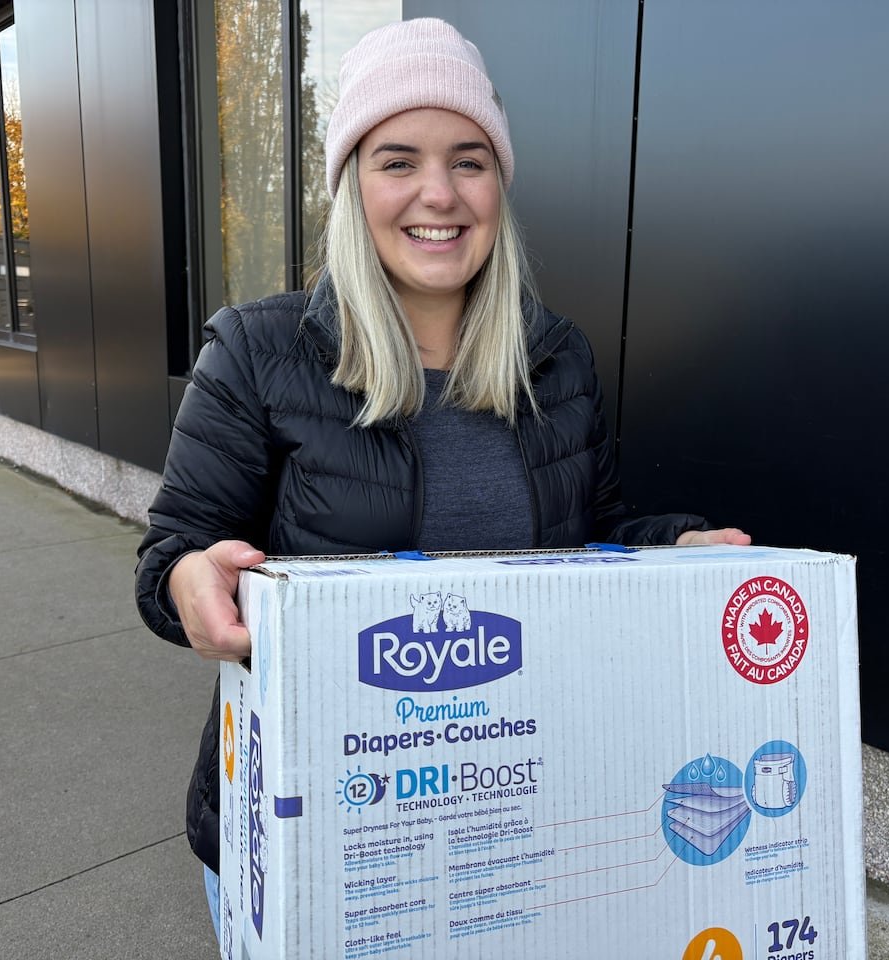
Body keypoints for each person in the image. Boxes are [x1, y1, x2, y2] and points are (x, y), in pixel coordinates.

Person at [134, 17, 750, 941]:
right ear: (351, 182)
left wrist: (676, 549)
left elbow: (591, 538)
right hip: (314, 839)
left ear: (499, 181)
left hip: (507, 825)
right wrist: (188, 578)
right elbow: (170, 556)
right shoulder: (260, 352)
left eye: (469, 160)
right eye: (397, 160)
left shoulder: (556, 358)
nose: (439, 193)